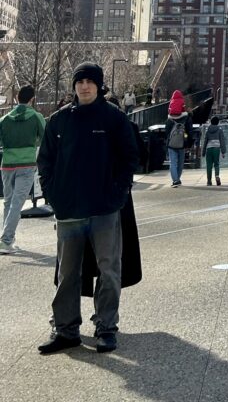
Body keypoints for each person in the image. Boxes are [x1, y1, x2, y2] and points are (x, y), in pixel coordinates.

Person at [36, 62, 139, 354]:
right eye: (79, 81)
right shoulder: (58, 121)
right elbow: (45, 161)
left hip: (105, 209)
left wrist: (118, 192)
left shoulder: (113, 119)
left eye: (90, 81)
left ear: (99, 85)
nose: (84, 86)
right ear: (74, 86)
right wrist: (54, 195)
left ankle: (106, 327)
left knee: (109, 270)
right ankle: (66, 329)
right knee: (67, 273)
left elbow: (129, 158)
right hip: (69, 210)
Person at [0, 85, 46, 255]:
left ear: (17, 98)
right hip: (26, 163)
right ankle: (5, 240)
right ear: (32, 99)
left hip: (7, 163)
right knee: (17, 203)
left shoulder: (5, 119)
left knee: (8, 202)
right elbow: (45, 138)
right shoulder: (36, 117)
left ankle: (9, 238)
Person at [164, 90, 192, 187]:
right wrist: (189, 142)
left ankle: (175, 180)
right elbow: (189, 131)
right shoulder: (186, 118)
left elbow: (166, 131)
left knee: (173, 162)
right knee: (180, 162)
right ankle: (178, 178)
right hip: (182, 142)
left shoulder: (169, 119)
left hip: (171, 143)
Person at [201, 117, 227, 186]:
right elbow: (222, 141)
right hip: (216, 149)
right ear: (218, 122)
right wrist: (223, 152)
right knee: (216, 164)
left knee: (209, 165)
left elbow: (205, 142)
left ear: (211, 122)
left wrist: (203, 152)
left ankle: (209, 181)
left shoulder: (208, 131)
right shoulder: (219, 130)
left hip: (209, 149)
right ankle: (217, 177)